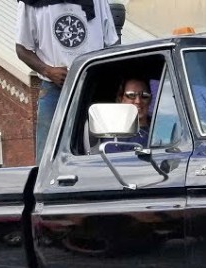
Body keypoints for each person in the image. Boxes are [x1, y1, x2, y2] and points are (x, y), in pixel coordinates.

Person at [16, 0, 119, 156]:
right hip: (55, 90)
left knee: (102, 154)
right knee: (48, 155)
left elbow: (112, 44)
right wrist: (48, 70)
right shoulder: (30, 2)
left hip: (93, 88)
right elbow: (22, 49)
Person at [116, 77, 152, 146]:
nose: (138, 101)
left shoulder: (161, 126)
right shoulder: (114, 134)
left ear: (150, 100)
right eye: (131, 95)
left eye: (144, 96)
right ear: (121, 99)